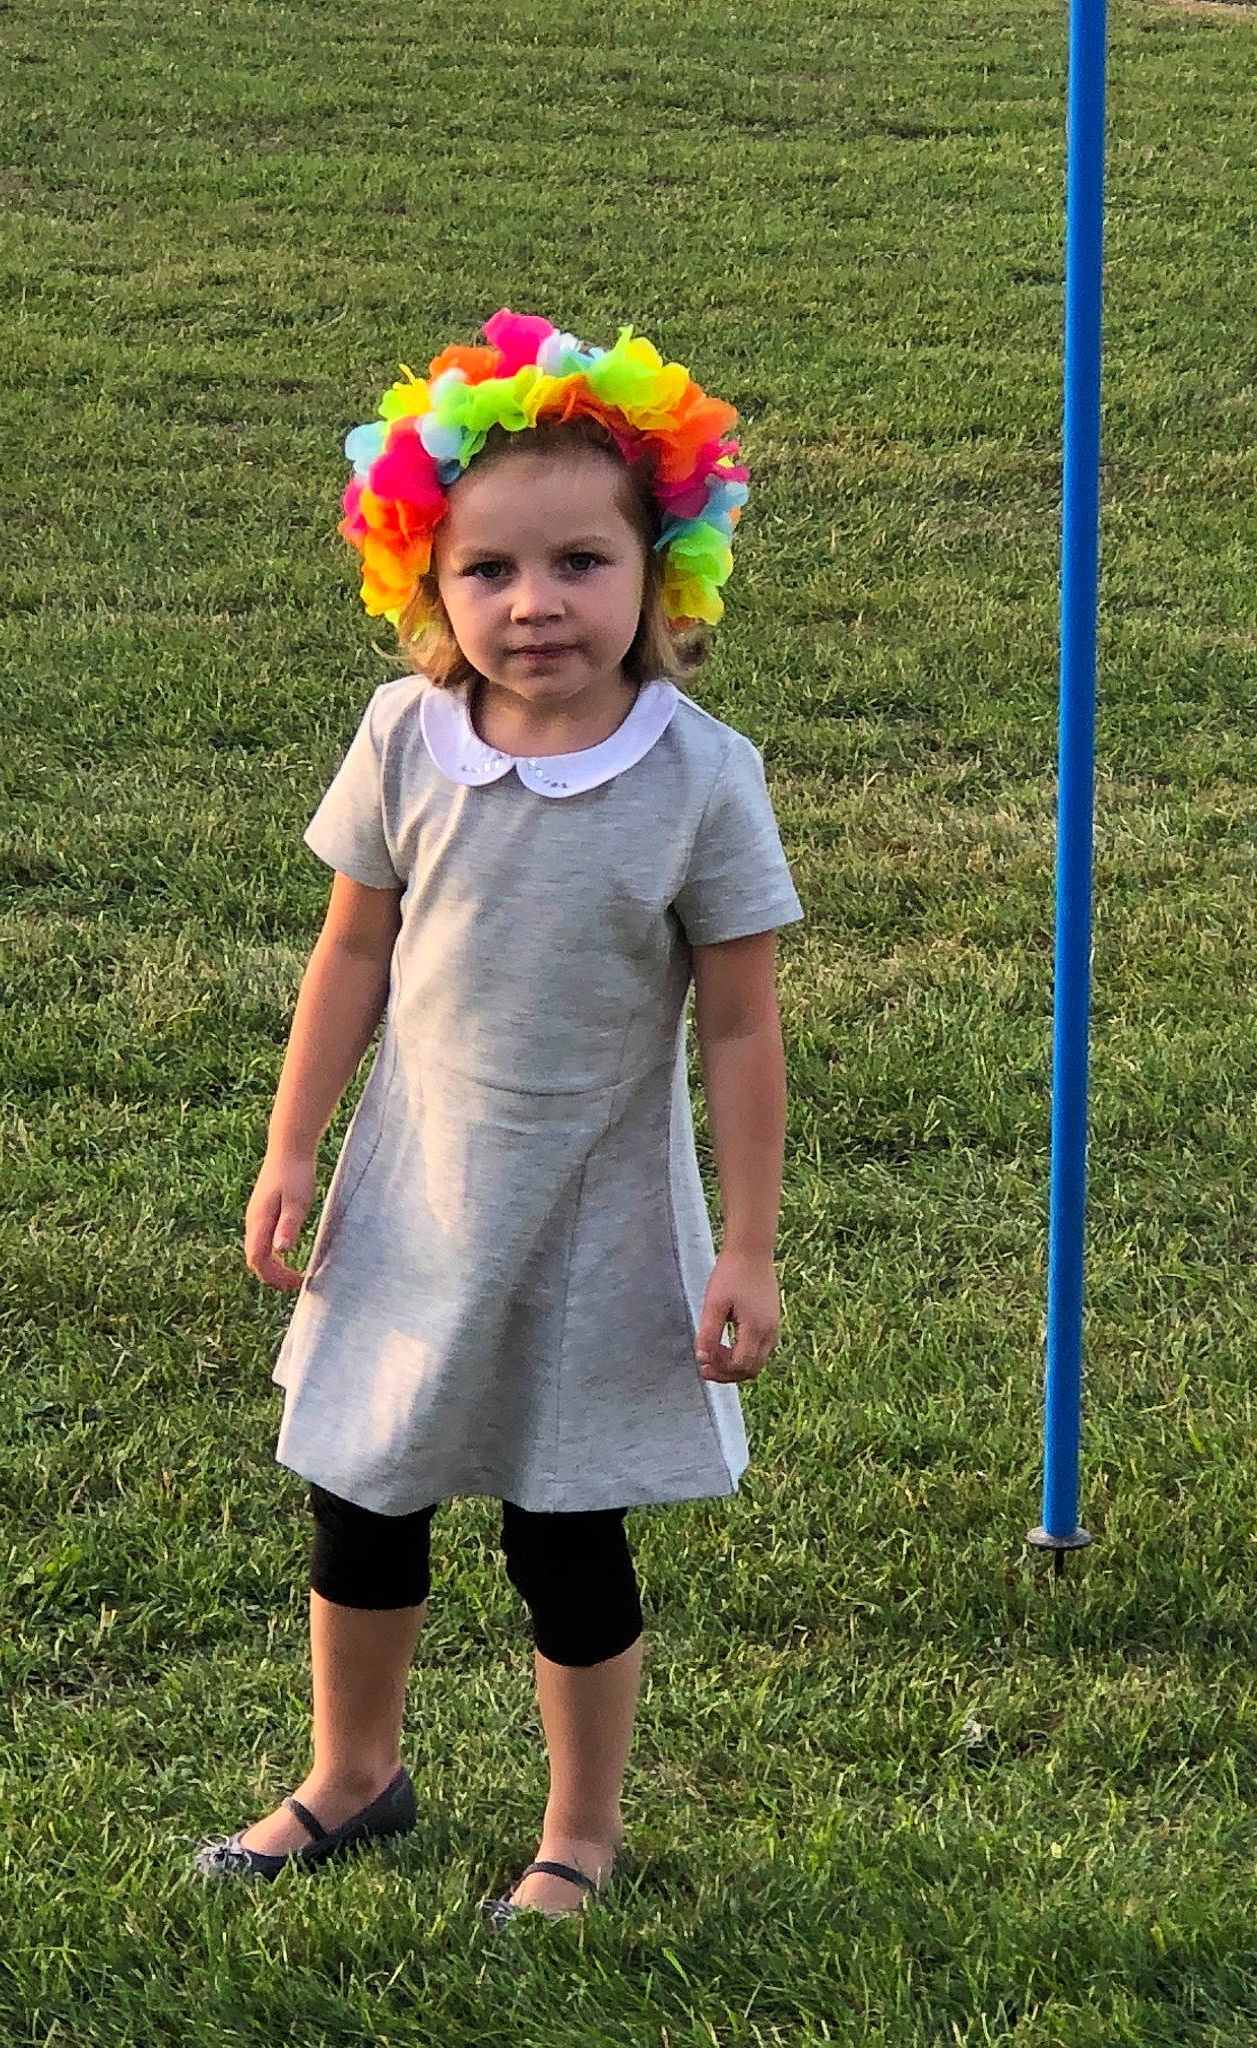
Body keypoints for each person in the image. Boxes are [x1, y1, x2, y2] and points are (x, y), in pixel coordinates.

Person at [191, 311, 804, 1923]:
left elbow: (741, 1026)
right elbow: (353, 951)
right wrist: (289, 1145)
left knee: (565, 1526)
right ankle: (352, 1773)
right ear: (425, 581)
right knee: (364, 1487)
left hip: (598, 1219)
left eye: (582, 563)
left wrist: (746, 1246)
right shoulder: (406, 739)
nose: (535, 604)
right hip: (412, 1197)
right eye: (489, 570)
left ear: (663, 570)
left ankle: (579, 1834)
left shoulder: (701, 777)